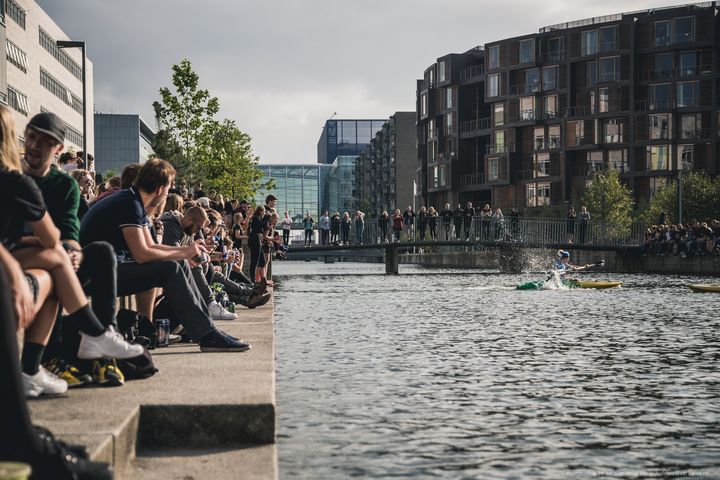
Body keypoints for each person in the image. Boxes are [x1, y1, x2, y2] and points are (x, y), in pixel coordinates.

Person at [80, 158, 251, 352]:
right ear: (161, 188)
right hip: (93, 277)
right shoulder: (128, 203)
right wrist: (184, 251)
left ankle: (207, 331)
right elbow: (142, 254)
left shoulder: (133, 201)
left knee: (180, 264)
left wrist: (183, 254)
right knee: (171, 267)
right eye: (169, 188)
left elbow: (151, 246)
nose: (169, 193)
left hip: (108, 271)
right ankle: (207, 334)